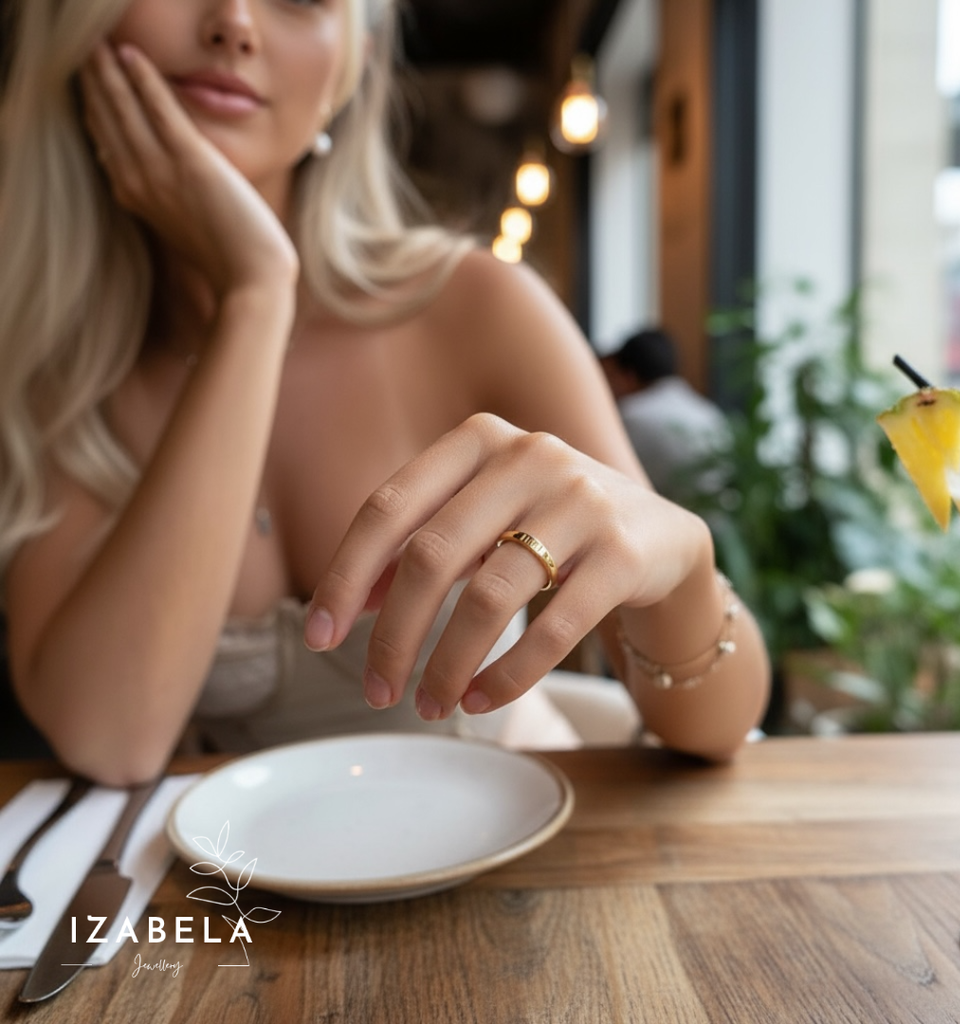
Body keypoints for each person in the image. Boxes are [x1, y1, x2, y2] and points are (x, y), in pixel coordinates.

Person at [0, 0, 770, 786]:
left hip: (515, 862)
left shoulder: (477, 306)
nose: (233, 23)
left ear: (352, 61)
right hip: (245, 897)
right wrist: (256, 294)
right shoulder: (50, 368)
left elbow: (717, 730)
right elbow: (110, 739)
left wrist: (682, 563)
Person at [601, 327, 729, 498]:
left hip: (673, 518)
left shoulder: (633, 416)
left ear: (628, 376)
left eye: (609, 377)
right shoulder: (708, 412)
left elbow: (607, 484)